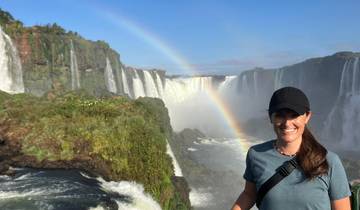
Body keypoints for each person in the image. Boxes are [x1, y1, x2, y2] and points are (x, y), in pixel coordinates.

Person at [231, 86, 351, 210]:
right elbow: (249, 195)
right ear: (270, 117)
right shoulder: (256, 154)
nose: (287, 123)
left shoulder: (329, 161)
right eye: (280, 115)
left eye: (294, 115)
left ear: (307, 116)